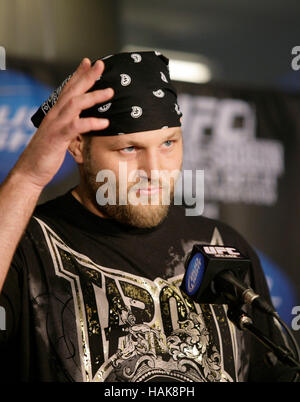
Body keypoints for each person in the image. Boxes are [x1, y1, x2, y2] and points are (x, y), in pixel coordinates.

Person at [0, 51, 293, 382]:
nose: (154, 171)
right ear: (78, 145)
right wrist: (27, 178)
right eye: (129, 149)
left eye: (168, 143)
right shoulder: (26, 245)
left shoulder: (223, 245)